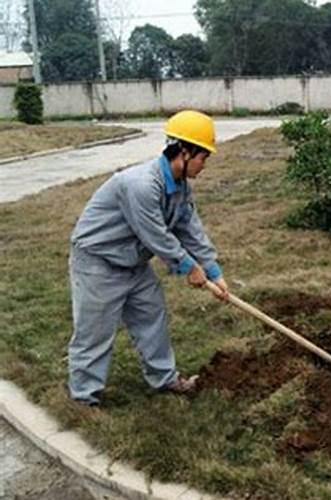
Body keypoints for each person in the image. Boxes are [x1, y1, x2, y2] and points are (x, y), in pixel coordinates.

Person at [67, 110, 229, 407]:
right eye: (203, 157)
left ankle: (165, 379)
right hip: (98, 263)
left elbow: (190, 229)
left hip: (133, 264)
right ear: (183, 151)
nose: (205, 164)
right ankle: (83, 397)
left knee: (152, 318)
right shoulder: (141, 185)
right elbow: (154, 235)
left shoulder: (180, 188)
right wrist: (188, 267)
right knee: (95, 331)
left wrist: (213, 270)